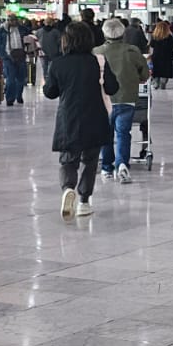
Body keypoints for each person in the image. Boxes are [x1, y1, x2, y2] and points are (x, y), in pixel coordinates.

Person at [44, 20, 118, 218]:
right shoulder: (99, 61)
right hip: (95, 116)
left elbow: (50, 92)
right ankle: (84, 202)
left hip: (68, 117)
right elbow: (113, 88)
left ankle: (68, 188)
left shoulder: (57, 64)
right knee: (90, 161)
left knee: (68, 160)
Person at [96, 16, 149, 183]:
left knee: (105, 134)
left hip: (103, 100)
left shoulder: (97, 52)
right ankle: (122, 165)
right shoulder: (132, 51)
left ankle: (106, 168)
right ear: (123, 33)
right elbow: (145, 74)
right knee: (123, 133)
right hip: (127, 98)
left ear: (104, 33)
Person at [2, 14, 28, 106]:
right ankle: (10, 99)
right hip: (8, 57)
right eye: (10, 20)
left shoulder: (22, 29)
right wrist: (2, 55)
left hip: (21, 56)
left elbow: (28, 38)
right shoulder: (3, 31)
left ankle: (19, 95)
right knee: (11, 79)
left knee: (21, 79)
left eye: (14, 20)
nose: (12, 22)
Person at [148, 21, 173, 90]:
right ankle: (163, 83)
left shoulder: (154, 37)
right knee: (165, 71)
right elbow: (172, 48)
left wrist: (150, 56)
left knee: (156, 70)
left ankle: (156, 83)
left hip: (156, 56)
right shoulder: (169, 37)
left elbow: (151, 46)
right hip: (167, 57)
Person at [37, 16, 62, 84]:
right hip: (54, 53)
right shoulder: (56, 32)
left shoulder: (39, 31)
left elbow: (36, 42)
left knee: (44, 68)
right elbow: (59, 42)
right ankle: (50, 81)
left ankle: (47, 82)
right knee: (51, 68)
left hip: (42, 53)